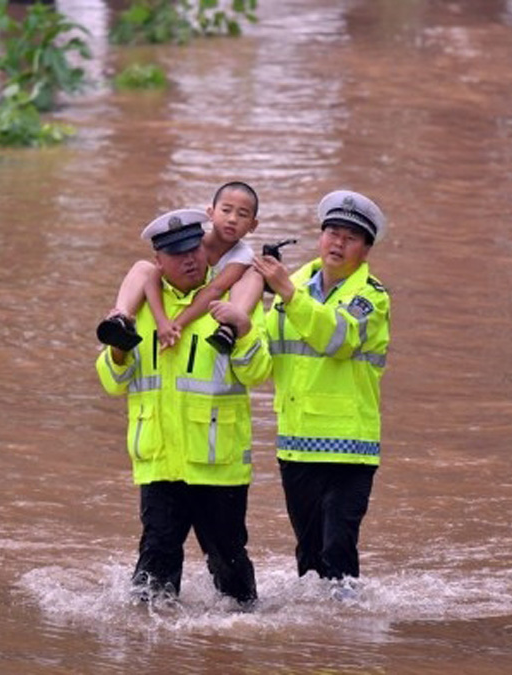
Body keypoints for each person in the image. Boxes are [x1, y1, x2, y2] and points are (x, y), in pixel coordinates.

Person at [211, 189, 390, 601]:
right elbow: (260, 369)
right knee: (309, 562)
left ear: (365, 250)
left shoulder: (372, 297)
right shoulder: (288, 290)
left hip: (350, 448)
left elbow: (337, 338)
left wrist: (287, 294)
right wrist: (239, 333)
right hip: (296, 446)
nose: (338, 243)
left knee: (337, 552)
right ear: (319, 237)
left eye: (350, 237)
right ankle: (314, 646)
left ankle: (345, 641)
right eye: (332, 232)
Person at [95, 207, 273, 610]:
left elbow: (259, 372)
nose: (189, 258)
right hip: (159, 463)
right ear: (159, 261)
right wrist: (120, 354)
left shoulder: (236, 297)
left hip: (218, 463)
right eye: (177, 253)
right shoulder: (136, 307)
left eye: (193, 248)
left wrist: (242, 332)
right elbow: (110, 381)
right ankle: (151, 652)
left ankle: (235, 645)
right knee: (153, 576)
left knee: (232, 573)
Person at [97, 181, 264, 355]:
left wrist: (177, 324)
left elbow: (215, 289)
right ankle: (120, 319)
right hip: (183, 293)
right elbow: (151, 278)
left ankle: (229, 327)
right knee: (142, 267)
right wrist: (161, 321)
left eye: (242, 214)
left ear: (253, 225)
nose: (232, 219)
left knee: (256, 272)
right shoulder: (194, 241)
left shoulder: (243, 255)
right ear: (211, 213)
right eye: (226, 210)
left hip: (210, 303)